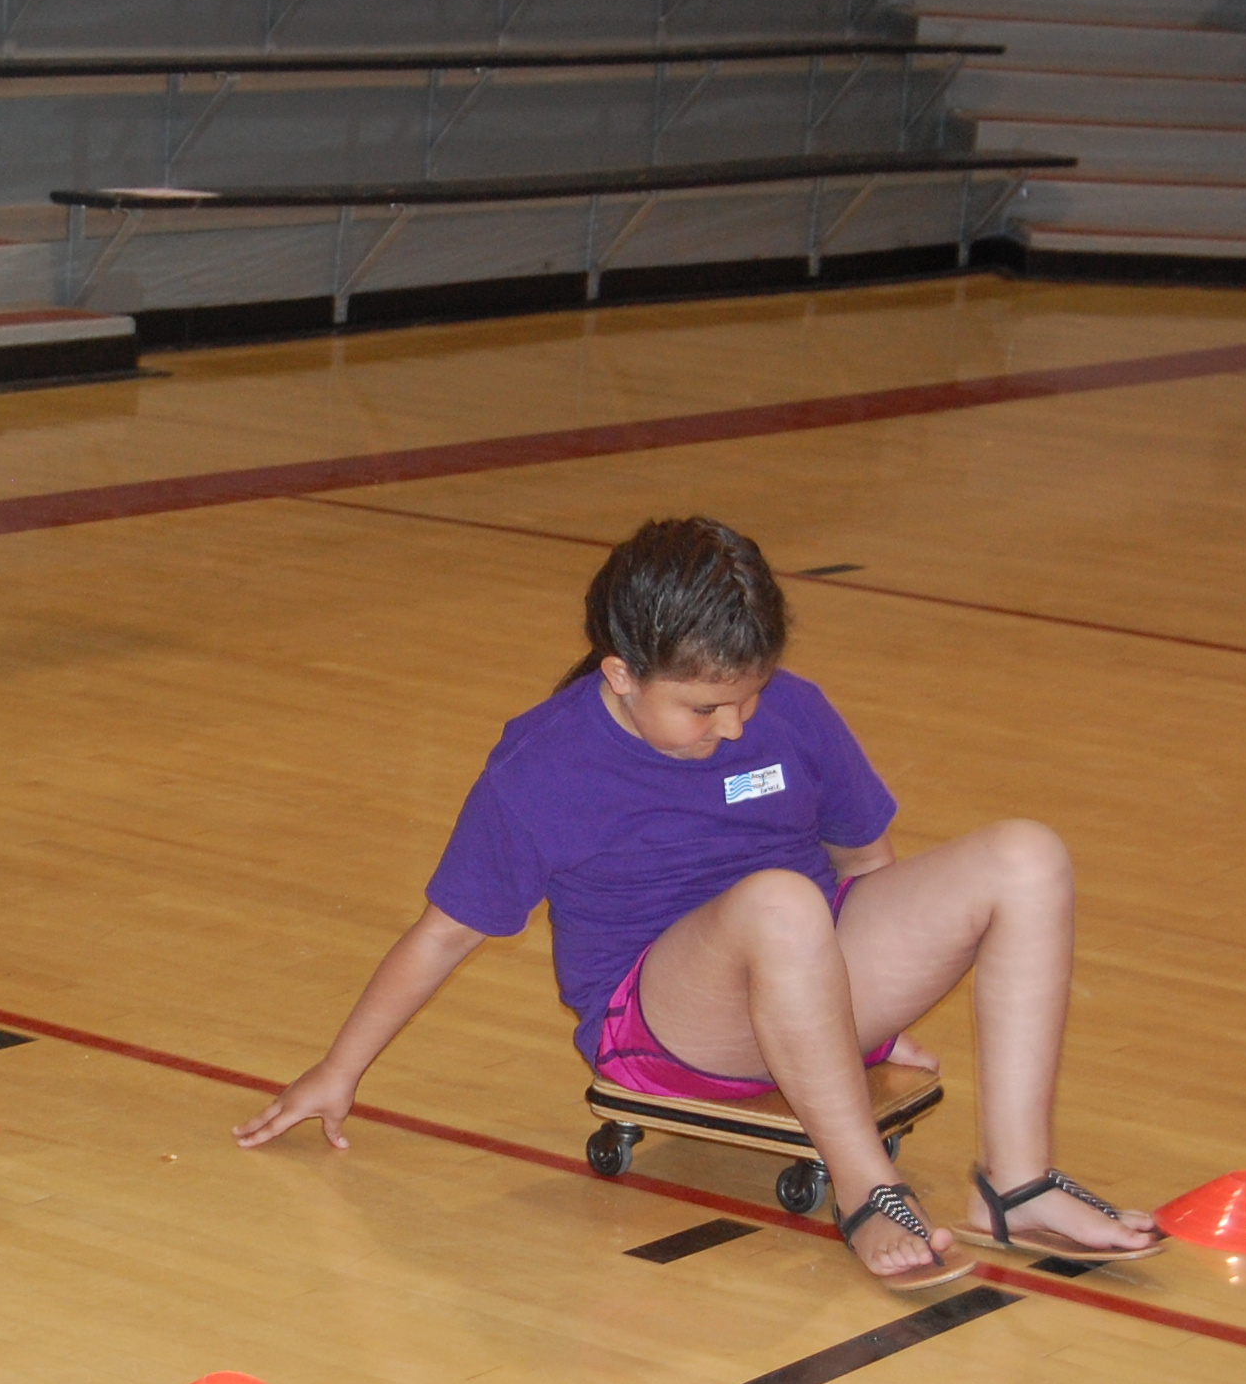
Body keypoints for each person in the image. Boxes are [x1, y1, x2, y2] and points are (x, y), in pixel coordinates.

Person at [234, 516, 1163, 1292]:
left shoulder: (790, 710)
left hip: (802, 955)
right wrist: (337, 1069)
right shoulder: (541, 766)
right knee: (781, 904)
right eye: (702, 708)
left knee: (1026, 857)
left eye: (747, 699)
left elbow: (870, 869)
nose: (734, 728)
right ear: (620, 672)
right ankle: (863, 1184)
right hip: (665, 1025)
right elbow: (443, 936)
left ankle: (1016, 1182)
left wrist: (865, 1017)